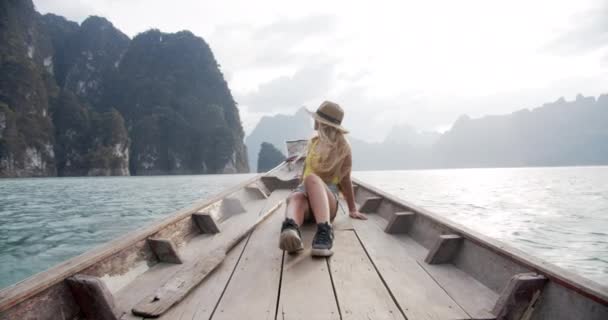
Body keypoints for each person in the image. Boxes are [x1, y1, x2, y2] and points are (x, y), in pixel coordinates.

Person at [278, 100, 367, 257]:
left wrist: (352, 209)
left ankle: (325, 231)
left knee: (312, 179)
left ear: (322, 122)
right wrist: (299, 187)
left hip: (327, 201)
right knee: (297, 195)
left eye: (317, 118)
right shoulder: (313, 143)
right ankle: (290, 230)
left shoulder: (343, 148)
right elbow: (305, 170)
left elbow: (345, 180)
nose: (314, 121)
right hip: (306, 203)